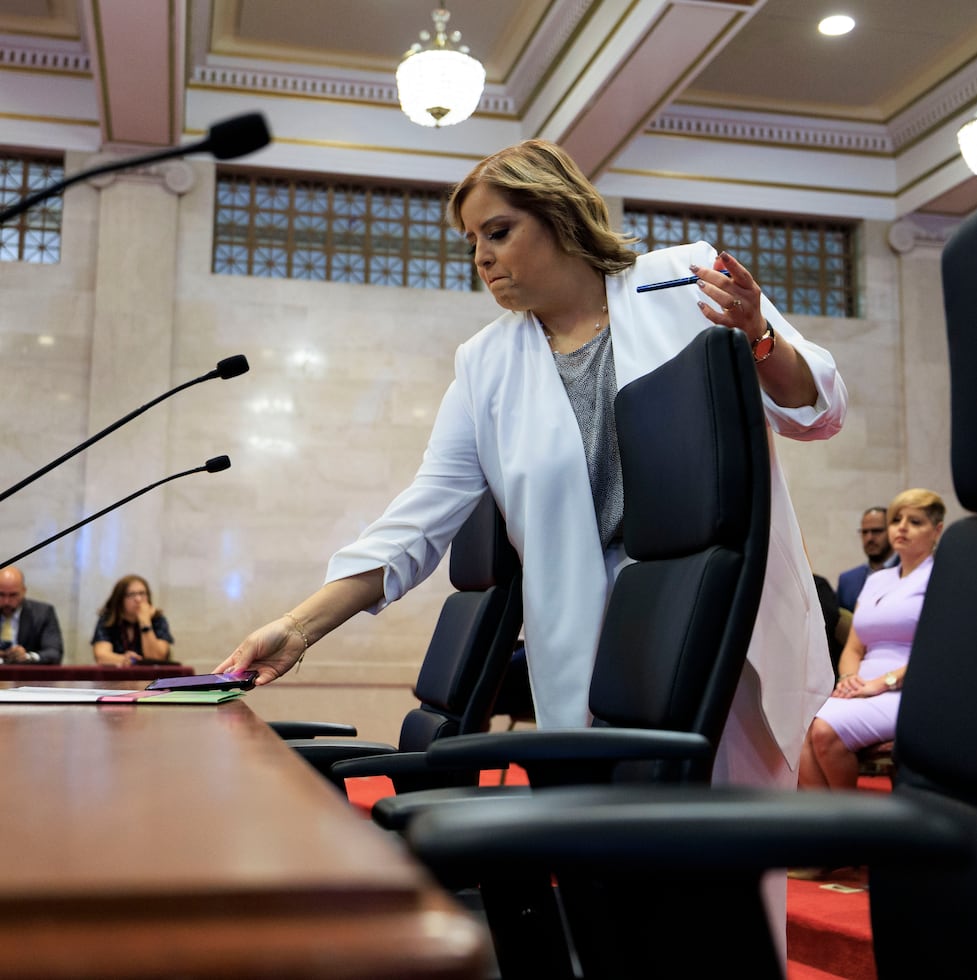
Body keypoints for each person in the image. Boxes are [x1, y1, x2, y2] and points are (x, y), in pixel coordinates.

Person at [217, 139, 846, 953]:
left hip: (712, 618)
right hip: (593, 643)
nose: (482, 257)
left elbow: (815, 407)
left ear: (558, 214)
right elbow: (419, 518)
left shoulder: (681, 277)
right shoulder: (485, 363)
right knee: (617, 888)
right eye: (471, 242)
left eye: (499, 231)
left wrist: (758, 335)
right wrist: (296, 628)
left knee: (724, 874)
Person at [799, 488, 945, 791]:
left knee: (825, 732)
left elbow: (939, 651)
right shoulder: (877, 580)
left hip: (909, 690)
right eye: (897, 520)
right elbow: (854, 645)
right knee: (799, 729)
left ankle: (850, 826)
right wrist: (850, 677)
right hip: (862, 687)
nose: (901, 527)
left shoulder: (943, 577)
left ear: (937, 531)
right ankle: (822, 825)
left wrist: (883, 683)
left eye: (915, 522)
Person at [91, 575, 174, 667]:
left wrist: (145, 622)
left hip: (151, 678)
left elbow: (156, 659)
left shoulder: (158, 619)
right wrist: (124, 659)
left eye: (142, 593)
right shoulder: (108, 619)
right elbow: (101, 656)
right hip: (116, 678)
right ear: (119, 599)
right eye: (131, 594)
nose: (138, 599)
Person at [836, 506, 898, 612]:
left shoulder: (908, 572)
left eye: (876, 531)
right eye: (864, 532)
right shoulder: (847, 580)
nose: (869, 538)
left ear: (892, 531)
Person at [0, 565, 64, 664]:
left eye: (13, 595)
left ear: (24, 591)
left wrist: (27, 656)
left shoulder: (43, 613)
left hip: (26, 676)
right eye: (1, 594)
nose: (6, 601)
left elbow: (54, 653)